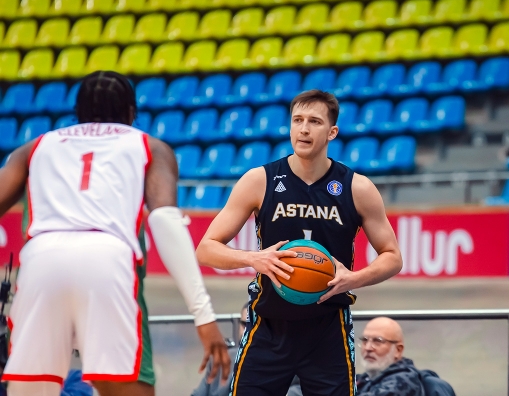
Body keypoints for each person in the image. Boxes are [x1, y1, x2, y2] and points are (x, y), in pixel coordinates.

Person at [0, 71, 229, 396]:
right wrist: (203, 315)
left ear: (76, 112)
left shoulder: (34, 147)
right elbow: (164, 220)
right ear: (131, 113)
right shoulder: (149, 146)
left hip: (40, 261)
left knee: (32, 389)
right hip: (108, 260)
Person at [196, 90, 403, 395]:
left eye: (315, 122)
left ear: (332, 131)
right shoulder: (260, 180)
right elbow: (206, 248)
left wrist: (354, 278)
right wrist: (253, 259)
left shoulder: (357, 187)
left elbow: (392, 256)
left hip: (328, 329)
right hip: (268, 327)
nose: (304, 128)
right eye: (298, 120)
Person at [357, 318, 454, 396]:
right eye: (365, 340)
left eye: (378, 341)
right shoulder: (365, 378)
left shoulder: (402, 382)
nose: (368, 348)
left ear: (398, 350)